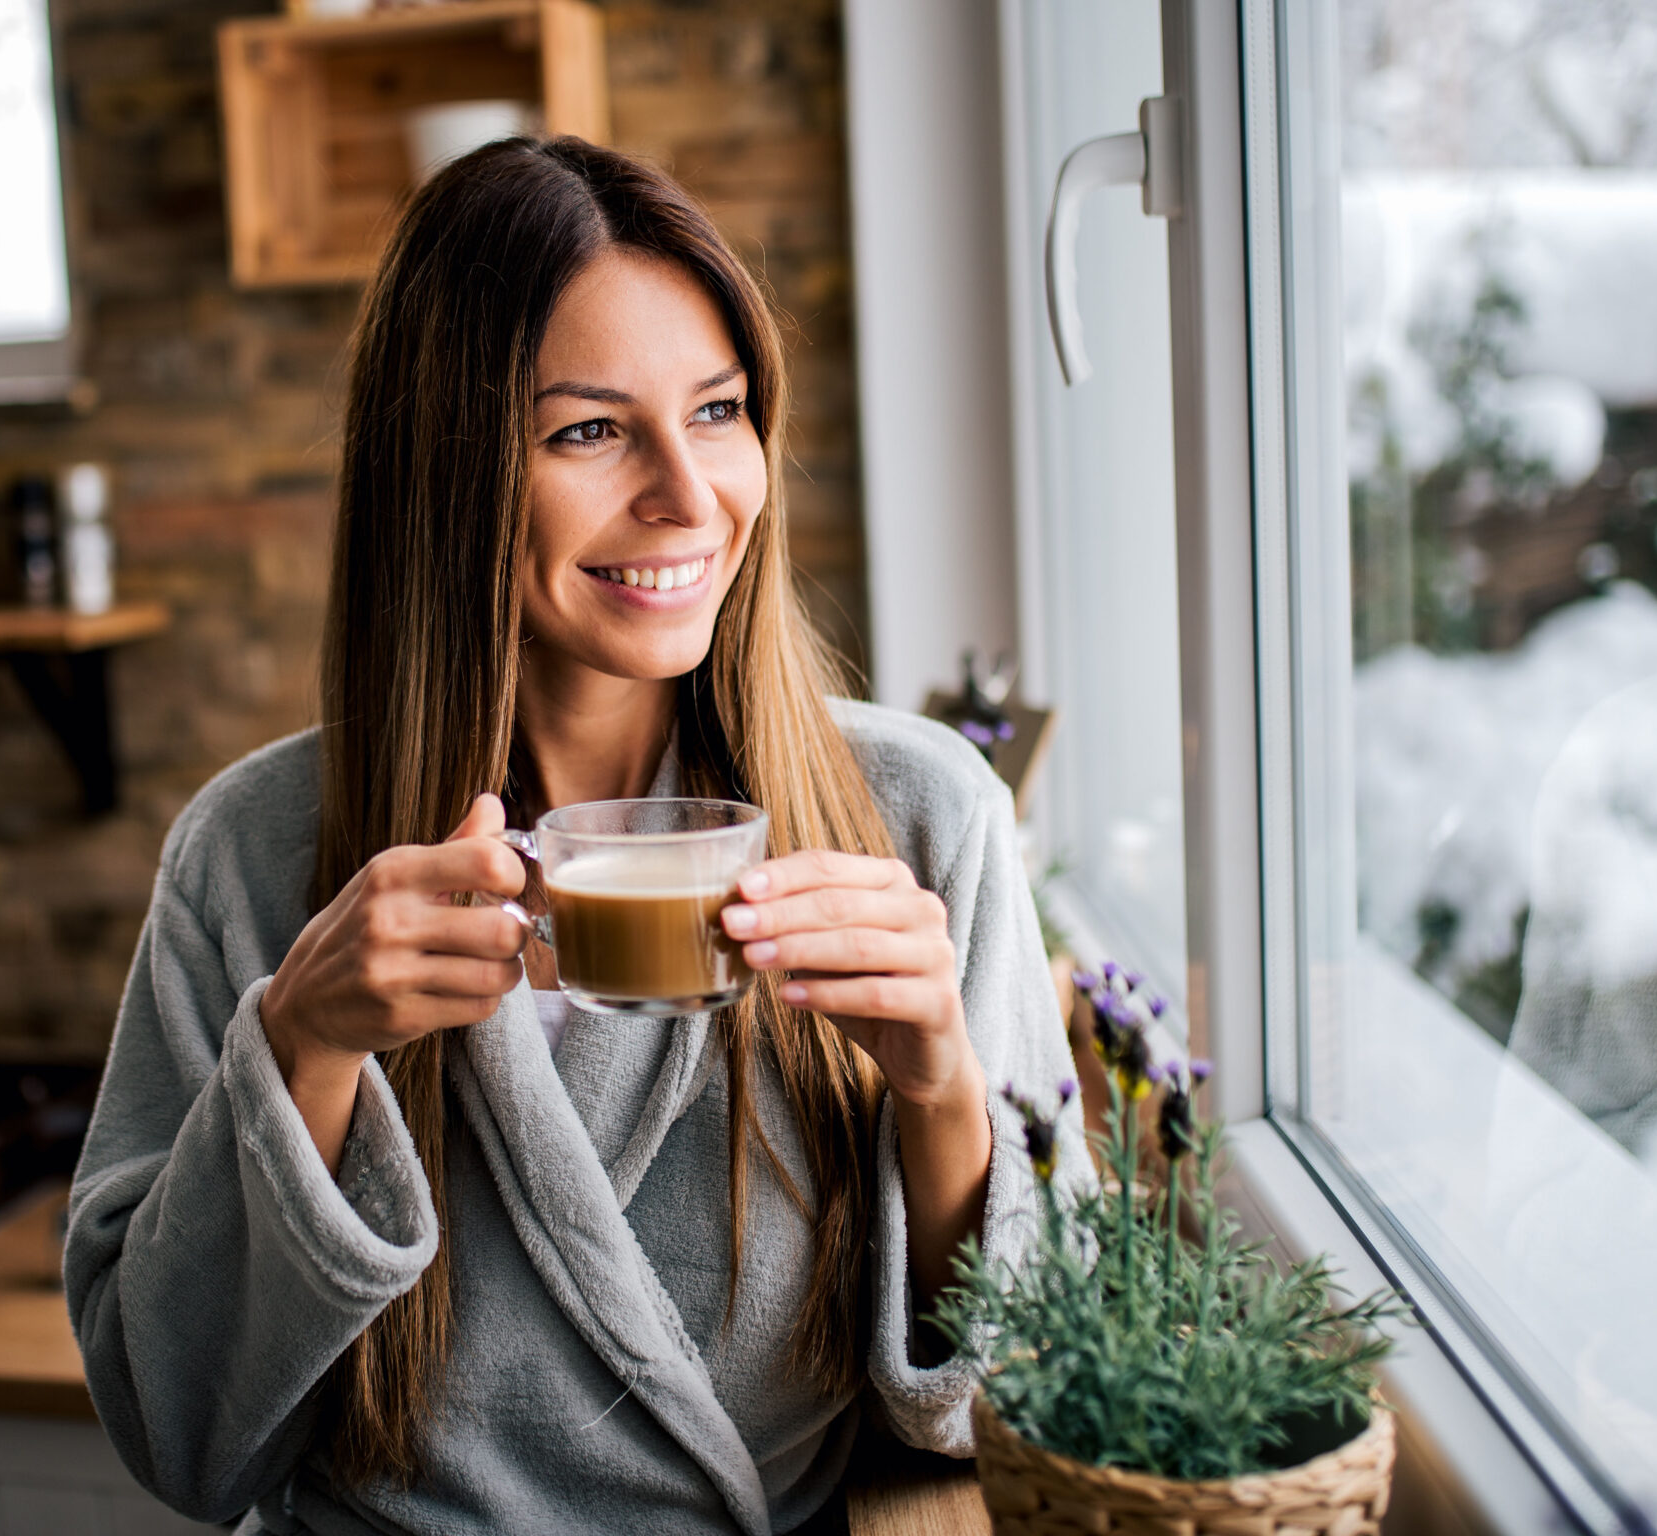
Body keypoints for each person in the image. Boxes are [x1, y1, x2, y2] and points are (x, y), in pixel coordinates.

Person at [65, 136, 1085, 1536]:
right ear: (449, 473)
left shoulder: (919, 821)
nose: (687, 493)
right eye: (589, 431)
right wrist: (302, 1044)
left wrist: (943, 1095)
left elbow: (1037, 1395)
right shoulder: (251, 855)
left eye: (718, 410)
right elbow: (180, 1438)